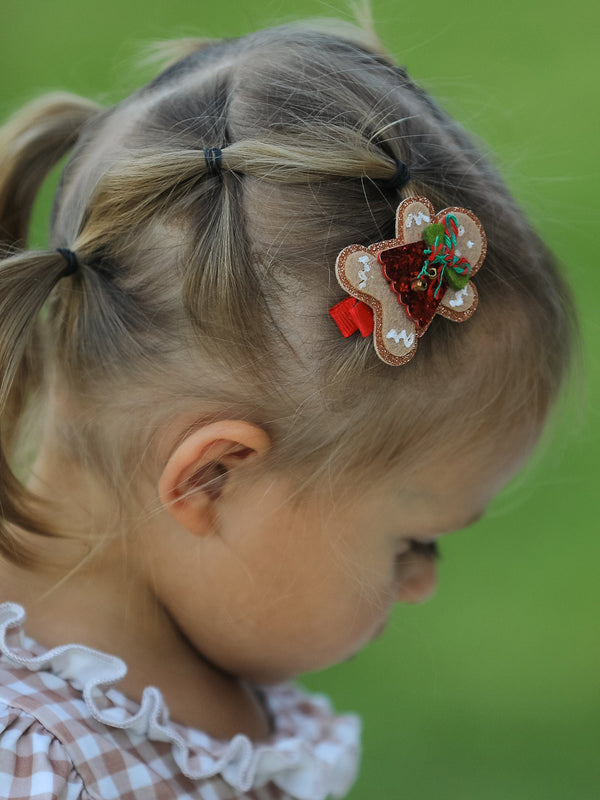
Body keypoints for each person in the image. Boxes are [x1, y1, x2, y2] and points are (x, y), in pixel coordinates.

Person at [0, 8, 582, 800]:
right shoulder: (38, 766)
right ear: (212, 479)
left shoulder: (206, 651)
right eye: (414, 542)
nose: (421, 584)